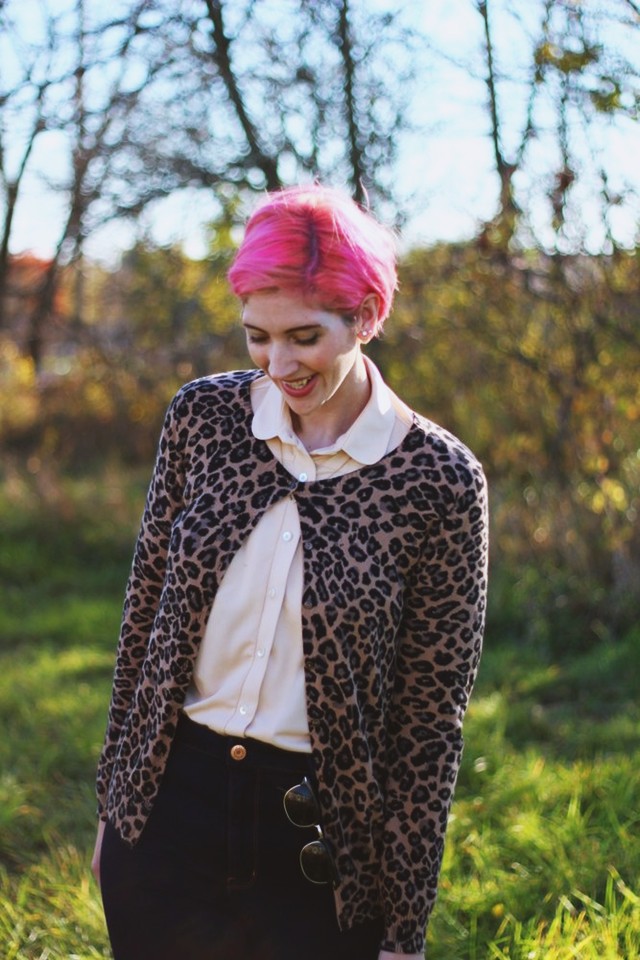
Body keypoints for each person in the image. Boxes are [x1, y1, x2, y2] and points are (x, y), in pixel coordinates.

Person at [92, 184, 489, 960]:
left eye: (304, 336)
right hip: (171, 812)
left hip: (322, 843)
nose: (278, 365)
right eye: (256, 337)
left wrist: (404, 926)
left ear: (367, 316)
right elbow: (143, 621)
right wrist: (115, 813)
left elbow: (428, 724)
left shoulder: (438, 479)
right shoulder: (204, 420)